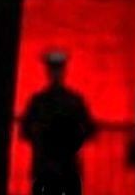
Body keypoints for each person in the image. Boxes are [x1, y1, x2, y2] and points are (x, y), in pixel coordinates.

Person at [20, 50, 96, 195]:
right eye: (54, 69)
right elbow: (26, 129)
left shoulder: (42, 101)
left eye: (57, 69)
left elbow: (89, 129)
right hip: (51, 167)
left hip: (57, 167)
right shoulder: (67, 101)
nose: (56, 73)